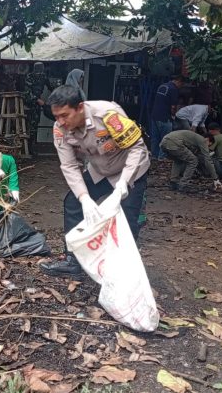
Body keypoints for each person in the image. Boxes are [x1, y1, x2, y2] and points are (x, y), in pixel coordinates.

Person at [40, 85, 150, 278]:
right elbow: (69, 166)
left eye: (65, 115)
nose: (60, 121)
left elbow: (136, 148)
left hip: (130, 170)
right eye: (56, 116)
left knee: (128, 218)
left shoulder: (108, 114)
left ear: (80, 107)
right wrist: (84, 198)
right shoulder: (60, 129)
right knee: (73, 203)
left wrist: (124, 182)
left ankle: (122, 269)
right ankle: (73, 260)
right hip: (100, 170)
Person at [148, 75, 183, 159]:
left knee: (155, 138)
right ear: (179, 81)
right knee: (166, 139)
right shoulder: (174, 89)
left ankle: (154, 157)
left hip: (155, 115)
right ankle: (161, 158)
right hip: (164, 117)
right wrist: (173, 116)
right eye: (181, 84)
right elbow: (173, 107)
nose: (180, 86)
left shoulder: (162, 86)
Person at [23, 62, 54, 154]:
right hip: (29, 103)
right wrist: (37, 99)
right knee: (28, 125)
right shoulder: (29, 77)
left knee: (35, 125)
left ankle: (32, 147)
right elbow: (27, 92)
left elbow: (51, 87)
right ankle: (27, 148)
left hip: (37, 104)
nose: (40, 71)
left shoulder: (43, 77)